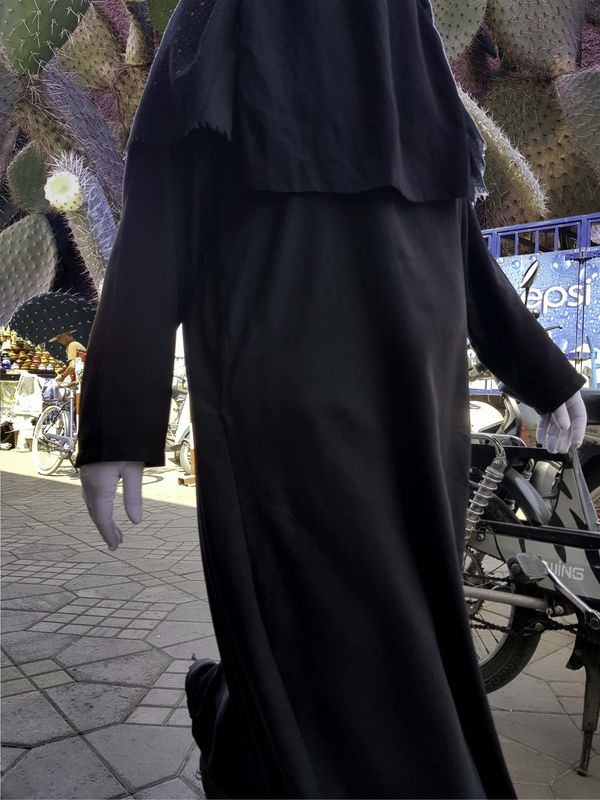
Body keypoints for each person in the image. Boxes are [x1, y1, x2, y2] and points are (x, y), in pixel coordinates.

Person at [75, 1, 587, 798]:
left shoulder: (403, 25)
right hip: (288, 391)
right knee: (314, 631)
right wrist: (118, 415)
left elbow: (455, 237)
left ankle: (238, 733)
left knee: (401, 629)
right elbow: (162, 213)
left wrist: (543, 373)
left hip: (420, 405)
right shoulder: (229, 15)